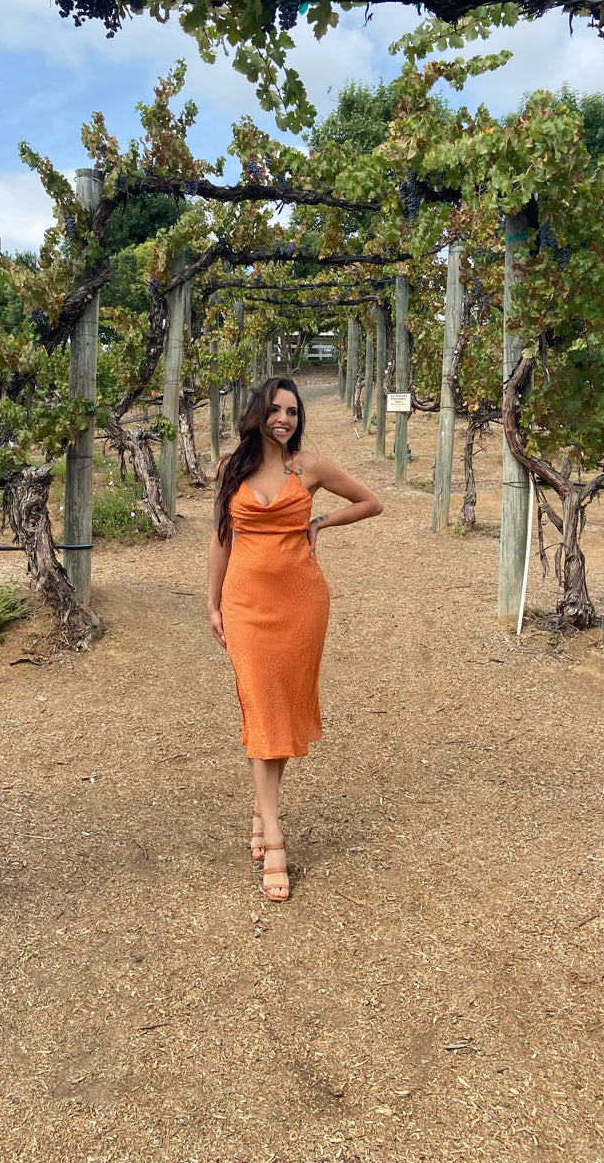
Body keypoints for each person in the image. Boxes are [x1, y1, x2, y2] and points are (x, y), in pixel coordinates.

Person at [207, 377, 383, 902]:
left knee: (275, 709)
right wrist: (211, 602)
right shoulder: (230, 468)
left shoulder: (308, 467)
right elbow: (221, 538)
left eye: (291, 410)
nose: (283, 418)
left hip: (301, 603)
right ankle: (275, 835)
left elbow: (371, 502)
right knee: (260, 704)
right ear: (257, 412)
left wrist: (321, 522)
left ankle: (263, 815)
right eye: (275, 409)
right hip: (244, 604)